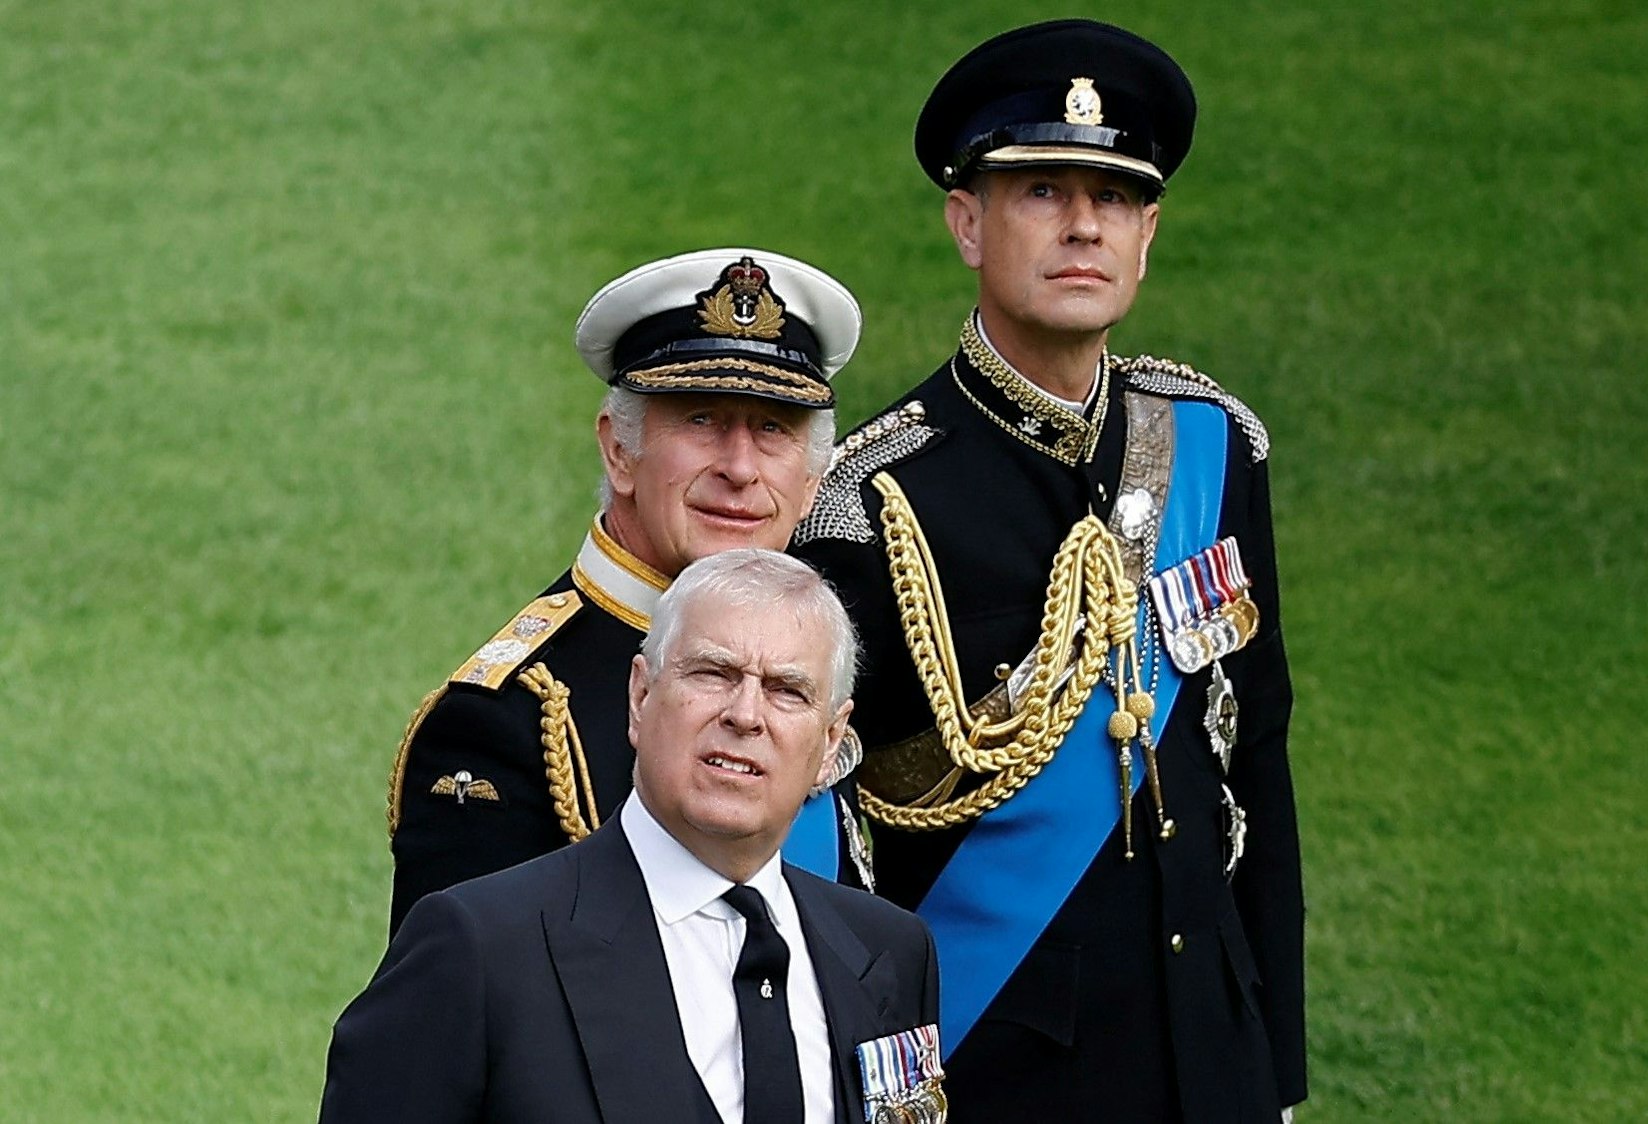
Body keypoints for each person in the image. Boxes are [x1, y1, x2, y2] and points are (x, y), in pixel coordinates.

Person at [792, 19, 1304, 1122]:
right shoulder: (869, 499)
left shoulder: (1213, 447)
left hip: (1208, 1056)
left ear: (1149, 230)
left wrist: (1276, 1068)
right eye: (1041, 192)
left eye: (1113, 197)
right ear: (966, 221)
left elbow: (1254, 751)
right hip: (999, 1064)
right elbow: (820, 834)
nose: (1082, 225)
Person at [323, 550, 946, 1124]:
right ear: (641, 697)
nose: (745, 715)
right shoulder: (479, 950)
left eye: (786, 691)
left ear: (831, 742)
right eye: (713, 673)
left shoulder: (889, 950)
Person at [386, 248, 875, 935]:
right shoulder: (506, 719)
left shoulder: (814, 667)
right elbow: (455, 1023)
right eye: (701, 420)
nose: (739, 468)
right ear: (619, 451)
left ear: (812, 477)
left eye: (772, 430)